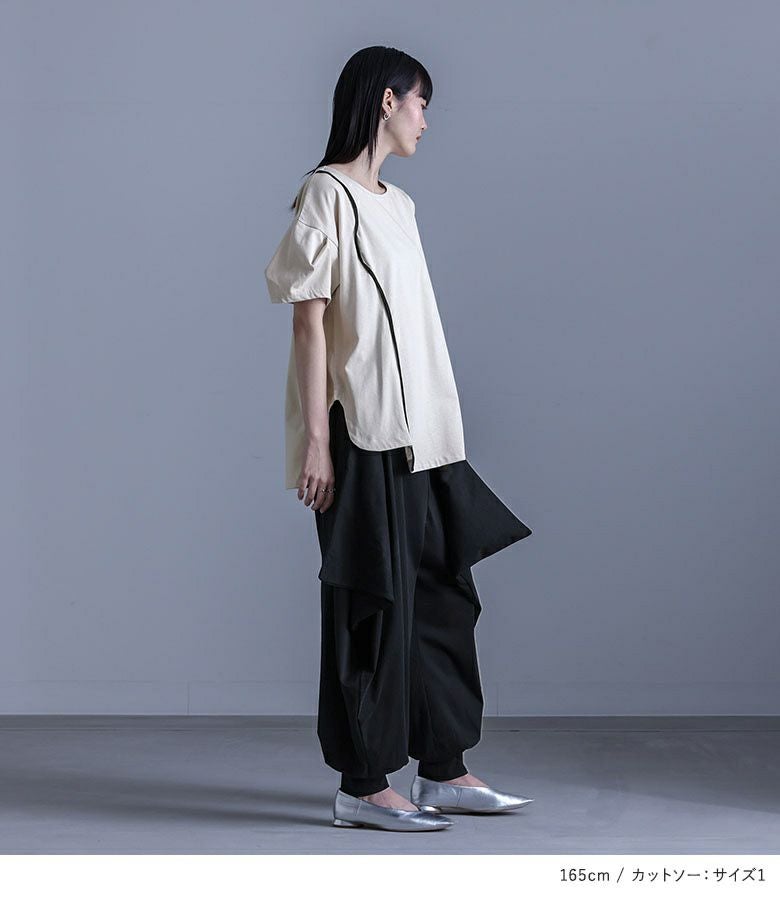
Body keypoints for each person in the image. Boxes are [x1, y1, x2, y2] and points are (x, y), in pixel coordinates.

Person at [264, 46, 534, 832]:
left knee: (442, 598)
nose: (425, 120)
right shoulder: (326, 195)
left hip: (427, 439)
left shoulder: (401, 205)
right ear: (387, 101)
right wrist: (318, 442)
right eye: (421, 104)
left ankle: (443, 769)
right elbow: (309, 324)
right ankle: (363, 784)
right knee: (371, 602)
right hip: (363, 434)